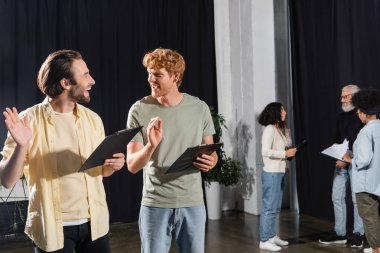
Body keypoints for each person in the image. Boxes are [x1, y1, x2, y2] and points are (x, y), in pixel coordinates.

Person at [0, 50, 126, 253]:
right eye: (85, 75)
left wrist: (113, 165)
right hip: (52, 228)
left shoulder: (93, 120)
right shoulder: (27, 120)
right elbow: (6, 180)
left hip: (95, 225)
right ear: (65, 83)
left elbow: (101, 172)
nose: (92, 80)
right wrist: (22, 146)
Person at [126, 48, 218, 253]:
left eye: (157, 74)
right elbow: (132, 165)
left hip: (193, 203)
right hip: (155, 204)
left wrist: (212, 161)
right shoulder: (139, 109)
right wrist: (151, 145)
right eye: (149, 73)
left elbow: (210, 150)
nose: (151, 79)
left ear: (176, 77)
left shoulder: (199, 108)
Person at [319, 84, 365, 247]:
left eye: (345, 97)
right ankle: (340, 233)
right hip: (341, 159)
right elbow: (337, 139)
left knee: (355, 199)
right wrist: (339, 156)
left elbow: (364, 143)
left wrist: (348, 158)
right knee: (336, 196)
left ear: (354, 96)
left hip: (356, 160)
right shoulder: (340, 116)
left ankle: (359, 233)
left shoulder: (362, 114)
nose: (342, 100)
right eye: (341, 97)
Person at [343, 88, 380, 253]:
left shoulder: (365, 132)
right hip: (377, 180)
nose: (358, 114)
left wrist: (349, 160)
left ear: (364, 113)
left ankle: (376, 249)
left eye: (358, 111)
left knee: (370, 218)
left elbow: (363, 159)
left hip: (365, 183)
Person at [257, 102, 297, 252]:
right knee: (269, 207)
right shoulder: (269, 130)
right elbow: (265, 151)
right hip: (272, 173)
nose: (285, 112)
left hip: (279, 172)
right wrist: (284, 154)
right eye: (282, 110)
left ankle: (272, 235)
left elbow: (288, 143)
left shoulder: (278, 129)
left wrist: (285, 127)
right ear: (275, 112)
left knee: (275, 207)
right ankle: (264, 240)